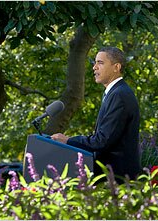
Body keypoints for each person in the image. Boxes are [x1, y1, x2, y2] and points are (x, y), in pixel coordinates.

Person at [51, 47, 141, 182]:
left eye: (100, 63)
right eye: (95, 63)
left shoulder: (119, 95)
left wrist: (68, 140)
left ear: (116, 67)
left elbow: (102, 141)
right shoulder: (115, 93)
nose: (94, 67)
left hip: (118, 179)